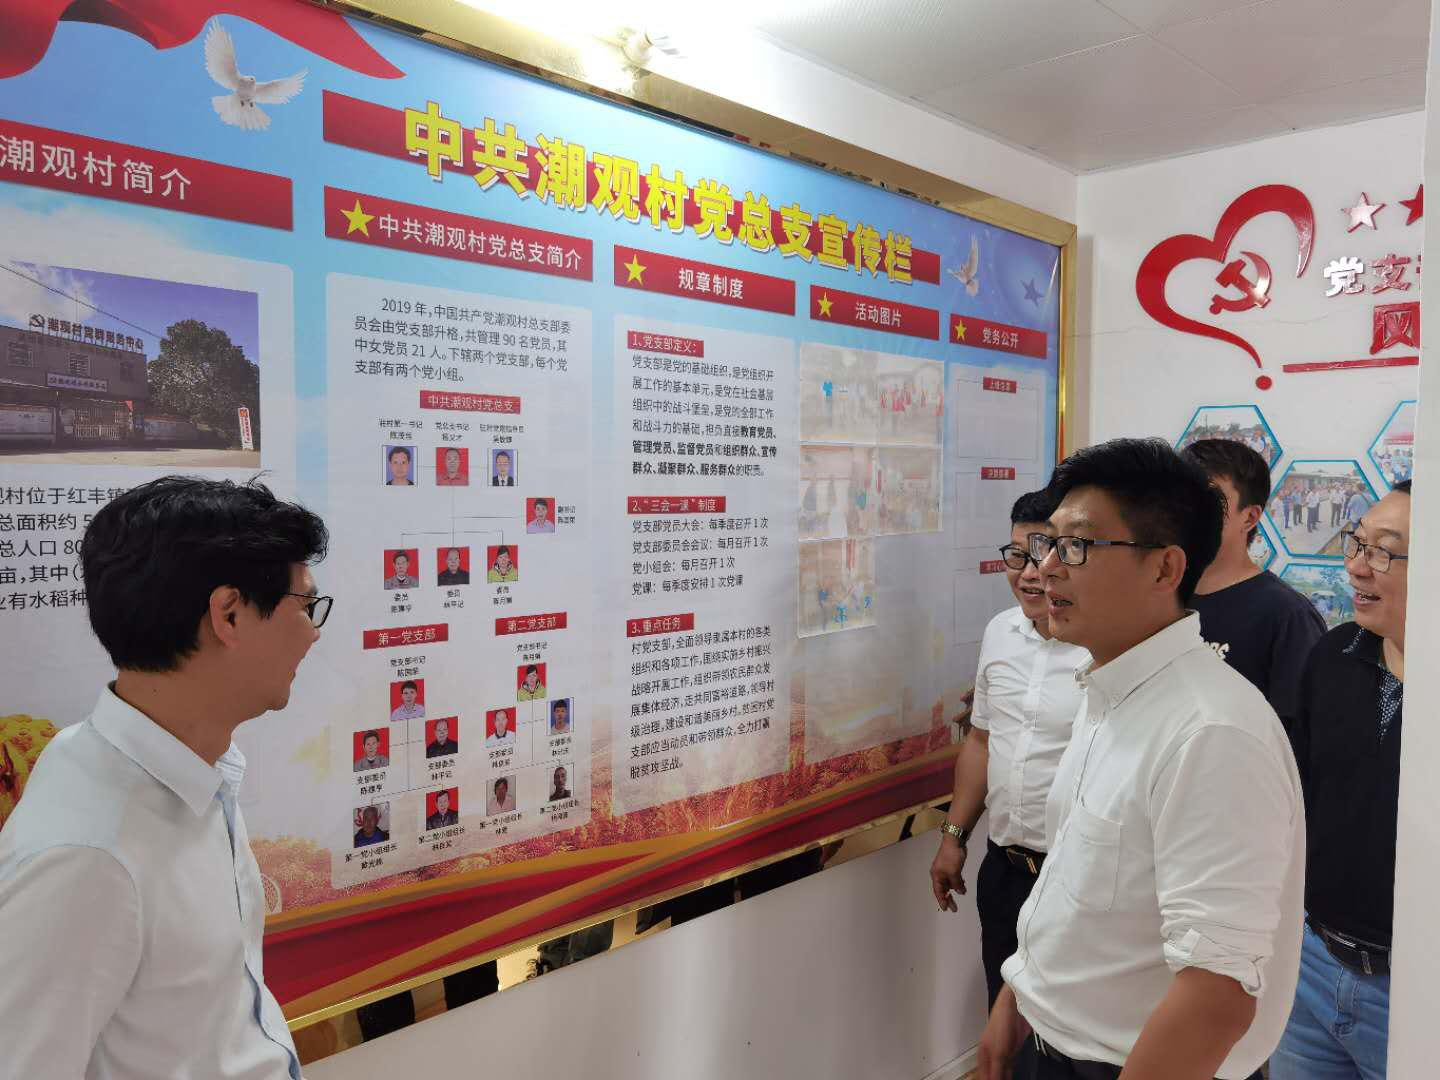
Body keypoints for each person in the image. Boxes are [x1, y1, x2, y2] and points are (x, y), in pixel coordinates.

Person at [978, 438, 1303, 1080]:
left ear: (1164, 568)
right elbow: (1069, 882)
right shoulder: (1109, 693)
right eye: (1047, 545)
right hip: (1054, 1040)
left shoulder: (1211, 731)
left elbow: (1217, 997)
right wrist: (1017, 999)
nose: (1044, 570)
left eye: (1077, 546)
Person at [0, 476, 329, 1078]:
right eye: (304, 605)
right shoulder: (87, 858)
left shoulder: (191, 763)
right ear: (229, 614)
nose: (313, 632)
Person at [1271, 480, 1411, 1080]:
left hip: (1412, 991)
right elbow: (1301, 798)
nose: (1356, 565)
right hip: (1312, 965)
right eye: (1358, 542)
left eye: (1384, 551)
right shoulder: (1334, 654)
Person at [929, 489, 1090, 1008]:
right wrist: (954, 836)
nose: (1028, 573)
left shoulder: (1102, 648)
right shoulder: (1000, 632)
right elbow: (981, 740)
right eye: (1017, 555)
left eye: (1043, 555)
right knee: (1002, 1015)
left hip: (1078, 883)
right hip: (1004, 869)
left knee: (1067, 1033)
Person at [1183, 440, 1325, 733]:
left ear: (1249, 517)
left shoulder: (1287, 615)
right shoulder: (1160, 598)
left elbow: (1297, 736)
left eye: (1208, 497)